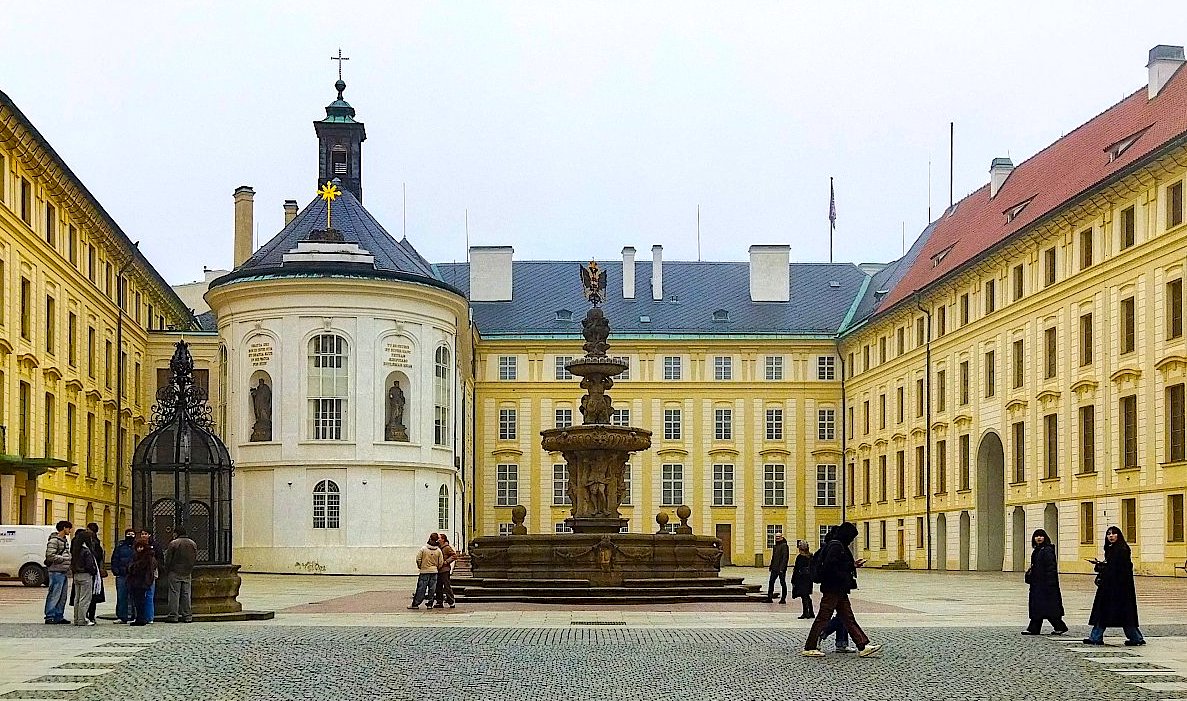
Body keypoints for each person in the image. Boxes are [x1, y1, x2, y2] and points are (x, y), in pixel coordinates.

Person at [802, 522, 883, 658]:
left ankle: (863, 645)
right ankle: (810, 647)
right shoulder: (836, 546)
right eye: (851, 537)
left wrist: (852, 565)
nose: (851, 541)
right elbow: (831, 567)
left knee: (848, 617)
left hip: (838, 588)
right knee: (823, 617)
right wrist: (850, 566)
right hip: (833, 588)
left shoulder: (837, 545)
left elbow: (837, 565)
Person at [1084, 526, 1145, 646]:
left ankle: (1135, 638)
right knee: (1113, 614)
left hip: (1118, 588)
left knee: (1114, 614)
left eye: (1113, 533)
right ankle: (1096, 637)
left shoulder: (1122, 549)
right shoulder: (1111, 548)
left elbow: (1120, 568)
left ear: (1119, 535)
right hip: (1111, 587)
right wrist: (1102, 566)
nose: (1111, 536)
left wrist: (1103, 567)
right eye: (1108, 534)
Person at [1022, 528, 1068, 636]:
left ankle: (1056, 626)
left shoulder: (1047, 550)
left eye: (1041, 536)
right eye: (1036, 536)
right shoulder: (1037, 550)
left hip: (1046, 584)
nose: (1038, 538)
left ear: (1045, 538)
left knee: (1046, 607)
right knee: (1040, 607)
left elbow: (1051, 567)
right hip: (1038, 584)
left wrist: (1050, 583)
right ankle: (1038, 627)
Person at [164, 526, 198, 623]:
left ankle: (173, 615)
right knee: (186, 594)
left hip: (175, 571)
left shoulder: (174, 543)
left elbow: (168, 558)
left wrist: (167, 569)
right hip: (187, 571)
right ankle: (187, 615)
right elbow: (195, 557)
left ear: (176, 533)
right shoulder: (192, 543)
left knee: (174, 594)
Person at [43, 520, 73, 624]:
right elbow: (50, 555)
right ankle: (50, 616)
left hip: (63, 571)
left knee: (62, 596)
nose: (70, 531)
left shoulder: (64, 540)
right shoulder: (54, 541)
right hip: (56, 571)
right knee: (54, 594)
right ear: (64, 528)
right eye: (69, 528)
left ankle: (59, 616)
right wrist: (63, 559)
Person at [69, 527, 99, 626]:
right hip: (86, 575)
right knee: (85, 599)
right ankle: (82, 620)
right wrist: (93, 571)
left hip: (76, 575)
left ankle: (77, 619)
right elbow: (89, 565)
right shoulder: (86, 551)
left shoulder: (75, 550)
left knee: (77, 599)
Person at [126, 539, 158, 627]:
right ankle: (140, 618)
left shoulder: (147, 557)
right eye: (138, 547)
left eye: (141, 547)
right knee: (137, 601)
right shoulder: (136, 556)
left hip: (142, 581)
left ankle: (142, 618)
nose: (139, 549)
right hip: (135, 581)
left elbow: (140, 568)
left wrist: (133, 568)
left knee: (141, 601)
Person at [409, 533, 444, 609]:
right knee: (432, 589)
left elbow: (418, 559)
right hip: (434, 572)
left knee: (421, 588)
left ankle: (416, 604)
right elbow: (441, 562)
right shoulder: (438, 551)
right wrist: (436, 568)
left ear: (430, 538)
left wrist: (421, 566)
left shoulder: (423, 549)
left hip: (424, 571)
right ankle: (430, 603)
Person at [110, 528, 137, 624]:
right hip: (122, 574)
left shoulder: (137, 546)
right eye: (128, 534)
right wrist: (116, 570)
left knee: (134, 596)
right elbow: (114, 559)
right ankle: (122, 616)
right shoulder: (120, 547)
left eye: (132, 534)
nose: (130, 536)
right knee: (121, 596)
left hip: (133, 575)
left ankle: (133, 615)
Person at [140, 529, 164, 623]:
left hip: (151, 573)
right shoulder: (138, 544)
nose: (143, 536)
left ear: (149, 535)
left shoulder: (155, 545)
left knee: (149, 595)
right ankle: (140, 616)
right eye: (142, 534)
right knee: (140, 596)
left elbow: (160, 558)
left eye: (145, 534)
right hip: (140, 573)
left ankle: (149, 617)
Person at [85, 523, 107, 625]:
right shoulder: (95, 543)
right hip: (94, 571)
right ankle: (89, 616)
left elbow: (99, 557)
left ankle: (88, 615)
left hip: (93, 572)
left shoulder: (93, 543)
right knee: (91, 596)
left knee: (90, 596)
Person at [790, 539, 814, 618]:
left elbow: (796, 569)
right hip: (809, 578)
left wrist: (793, 579)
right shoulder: (811, 556)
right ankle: (811, 612)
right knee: (807, 596)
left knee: (804, 596)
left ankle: (806, 612)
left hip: (801, 579)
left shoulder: (800, 557)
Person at [434, 533, 458, 609]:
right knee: (438, 586)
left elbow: (454, 556)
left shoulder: (447, 547)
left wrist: (446, 562)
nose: (438, 539)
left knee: (447, 586)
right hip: (438, 569)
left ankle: (451, 601)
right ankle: (439, 602)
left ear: (443, 539)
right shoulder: (437, 547)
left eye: (439, 538)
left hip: (445, 569)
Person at [767, 533, 790, 604]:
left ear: (782, 537)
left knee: (782, 583)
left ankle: (783, 598)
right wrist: (771, 565)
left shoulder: (784, 546)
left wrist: (782, 568)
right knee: (771, 582)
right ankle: (769, 598)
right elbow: (773, 557)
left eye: (779, 537)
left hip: (781, 568)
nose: (777, 538)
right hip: (774, 567)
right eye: (776, 537)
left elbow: (785, 558)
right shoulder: (775, 546)